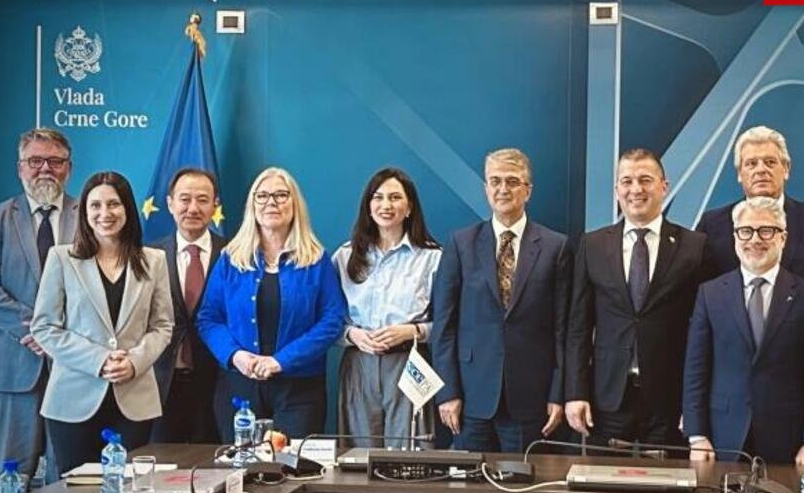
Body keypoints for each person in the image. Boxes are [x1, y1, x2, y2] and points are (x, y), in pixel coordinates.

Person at [31, 172, 174, 474]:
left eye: (113, 204)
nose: (104, 213)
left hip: (134, 399)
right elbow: (44, 327)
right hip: (72, 400)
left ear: (127, 209)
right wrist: (99, 360)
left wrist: (134, 361)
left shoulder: (154, 261)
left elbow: (163, 326)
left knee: (131, 491)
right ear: (84, 212)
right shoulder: (61, 258)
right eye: (95, 205)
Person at [432, 148, 572, 453]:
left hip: (531, 400)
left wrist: (558, 393)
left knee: (524, 481)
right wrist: (447, 391)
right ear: (486, 188)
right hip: (470, 398)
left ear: (528, 190)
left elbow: (563, 330)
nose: (503, 189)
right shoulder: (461, 243)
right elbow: (444, 325)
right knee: (467, 481)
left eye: (512, 181)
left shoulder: (556, 246)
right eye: (495, 181)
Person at [566, 149, 705, 448]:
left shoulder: (694, 247)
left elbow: (703, 332)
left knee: (671, 478)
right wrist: (576, 392)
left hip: (670, 400)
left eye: (645, 180)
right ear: (616, 189)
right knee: (602, 477)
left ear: (663, 186)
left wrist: (696, 406)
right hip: (607, 399)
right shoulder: (592, 245)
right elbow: (578, 328)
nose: (636, 189)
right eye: (627, 181)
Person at [196, 167, 346, 442]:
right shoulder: (231, 259)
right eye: (262, 196)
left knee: (289, 464)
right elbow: (208, 318)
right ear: (252, 205)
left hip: (300, 388)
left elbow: (332, 320)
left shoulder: (316, 260)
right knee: (241, 465)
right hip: (239, 385)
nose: (271, 203)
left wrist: (281, 361)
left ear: (295, 204)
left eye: (280, 195)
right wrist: (235, 356)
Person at [682, 197, 804, 464]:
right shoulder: (710, 294)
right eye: (746, 231)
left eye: (766, 231)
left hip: (788, 439)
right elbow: (695, 370)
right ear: (735, 238)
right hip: (721, 437)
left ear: (783, 238)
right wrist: (697, 436)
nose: (755, 239)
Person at [0, 128, 79, 478]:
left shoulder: (90, 216)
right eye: (35, 161)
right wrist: (40, 330)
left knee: (69, 481)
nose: (45, 169)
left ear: (69, 168)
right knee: (5, 483)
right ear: (20, 167)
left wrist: (57, 336)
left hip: (72, 370)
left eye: (55, 161)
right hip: (10, 370)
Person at [333, 168, 442, 448]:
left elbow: (449, 323)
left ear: (409, 207)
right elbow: (326, 320)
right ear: (368, 206)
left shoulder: (432, 257)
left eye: (395, 197)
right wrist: (352, 335)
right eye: (378, 197)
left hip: (410, 361)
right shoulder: (345, 256)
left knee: (410, 455)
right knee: (357, 456)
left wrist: (412, 331)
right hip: (359, 363)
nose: (386, 205)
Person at [696, 125, 804, 288]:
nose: (761, 170)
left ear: (786, 169)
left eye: (770, 162)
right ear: (739, 174)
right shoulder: (711, 225)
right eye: (751, 163)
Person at [149, 168, 226, 443]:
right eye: (185, 199)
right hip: (162, 385)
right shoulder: (148, 256)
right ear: (170, 203)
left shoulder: (234, 254)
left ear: (215, 205)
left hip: (219, 385)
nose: (193, 208)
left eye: (202, 200)